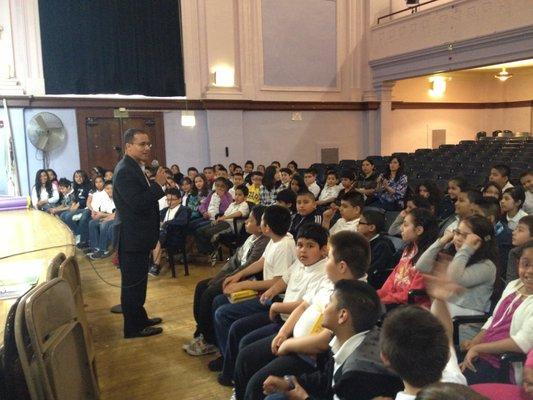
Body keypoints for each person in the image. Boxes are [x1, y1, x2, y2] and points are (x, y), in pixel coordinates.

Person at [233, 230, 371, 400]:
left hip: (309, 357)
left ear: (341, 266)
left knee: (257, 386)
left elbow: (323, 342)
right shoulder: (331, 280)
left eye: (328, 258)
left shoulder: (353, 300)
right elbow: (304, 305)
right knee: (246, 356)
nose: (325, 261)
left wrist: (289, 344)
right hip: (294, 339)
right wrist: (283, 333)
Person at [216, 224, 328, 387]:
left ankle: (242, 382)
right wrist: (270, 292)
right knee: (238, 329)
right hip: (280, 316)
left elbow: (304, 305)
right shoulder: (300, 262)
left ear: (323, 250)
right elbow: (284, 280)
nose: (303, 250)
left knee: (246, 348)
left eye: (310, 246)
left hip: (293, 325)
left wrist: (276, 306)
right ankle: (232, 376)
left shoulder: (323, 271)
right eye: (300, 245)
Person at [262, 280, 402, 400]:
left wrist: (304, 398)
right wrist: (289, 382)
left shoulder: (357, 377)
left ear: (342, 316)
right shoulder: (347, 339)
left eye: (329, 302)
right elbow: (326, 380)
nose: (325, 307)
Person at [211, 205, 296, 378]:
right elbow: (262, 261)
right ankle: (227, 356)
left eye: (262, 220)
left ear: (267, 227)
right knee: (218, 300)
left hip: (273, 298)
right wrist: (239, 276)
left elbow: (278, 282)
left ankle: (231, 366)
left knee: (223, 313)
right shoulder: (275, 239)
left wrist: (243, 286)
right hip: (264, 292)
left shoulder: (285, 245)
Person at [184, 206, 270, 356]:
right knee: (201, 286)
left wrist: (223, 280)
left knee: (210, 294)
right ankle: (202, 331)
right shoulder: (251, 238)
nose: (246, 222)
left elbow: (247, 267)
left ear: (262, 226)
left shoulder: (264, 243)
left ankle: (209, 340)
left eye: (250, 220)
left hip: (246, 279)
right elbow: (234, 261)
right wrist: (219, 277)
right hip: (234, 275)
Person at [113, 128, 167, 338]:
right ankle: (133, 328)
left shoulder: (133, 166)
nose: (147, 148)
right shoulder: (126, 169)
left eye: (148, 144)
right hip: (133, 237)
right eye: (141, 144)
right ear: (128, 146)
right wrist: (158, 185)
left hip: (138, 236)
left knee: (137, 283)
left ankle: (140, 318)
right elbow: (138, 203)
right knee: (133, 285)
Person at [459, 240, 533, 385]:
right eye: (525, 264)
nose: (530, 270)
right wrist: (475, 342)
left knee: (453, 387)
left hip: (503, 364)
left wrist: (478, 348)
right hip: (483, 353)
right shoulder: (513, 285)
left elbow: (522, 343)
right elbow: (494, 319)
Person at [416, 215, 497, 321]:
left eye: (465, 236)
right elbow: (421, 266)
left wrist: (466, 248)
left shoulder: (487, 266)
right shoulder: (456, 258)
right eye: (457, 233)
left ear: (479, 241)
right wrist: (441, 242)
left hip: (464, 324)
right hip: (442, 317)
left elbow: (454, 278)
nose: (458, 238)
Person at [380, 304, 466, 400]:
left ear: (385, 358)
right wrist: (439, 300)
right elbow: (448, 338)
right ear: (448, 356)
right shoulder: (456, 382)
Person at [377, 208, 439, 309]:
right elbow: (393, 278)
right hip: (394, 301)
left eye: (405, 225)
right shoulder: (408, 249)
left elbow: (412, 294)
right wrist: (379, 295)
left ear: (419, 230)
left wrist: (384, 299)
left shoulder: (428, 258)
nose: (401, 228)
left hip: (413, 308)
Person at [195, 184, 250, 265]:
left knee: (208, 232)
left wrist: (224, 218)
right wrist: (218, 219)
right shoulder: (232, 204)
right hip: (223, 222)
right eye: (236, 194)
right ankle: (206, 253)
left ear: (245, 197)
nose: (237, 197)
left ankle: (211, 253)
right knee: (199, 230)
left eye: (240, 195)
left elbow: (238, 214)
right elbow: (225, 214)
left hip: (231, 226)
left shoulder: (245, 205)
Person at [148, 188, 190, 277]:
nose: (169, 202)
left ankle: (156, 265)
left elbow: (182, 221)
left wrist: (165, 223)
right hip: (163, 234)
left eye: (172, 200)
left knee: (156, 238)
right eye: (168, 199)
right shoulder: (165, 210)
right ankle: (148, 262)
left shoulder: (184, 209)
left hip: (175, 236)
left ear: (179, 199)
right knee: (148, 235)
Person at [358, 209, 396, 289]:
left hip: (371, 286)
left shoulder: (383, 245)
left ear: (371, 227)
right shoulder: (360, 241)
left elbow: (370, 271)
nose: (357, 226)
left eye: (360, 223)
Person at [87, 180, 116, 260]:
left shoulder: (118, 198)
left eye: (112, 188)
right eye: (107, 188)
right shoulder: (105, 198)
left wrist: (104, 216)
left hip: (118, 218)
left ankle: (103, 250)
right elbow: (104, 212)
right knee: (92, 223)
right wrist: (99, 215)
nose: (110, 190)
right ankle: (95, 248)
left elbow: (118, 214)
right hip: (109, 216)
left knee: (104, 224)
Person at [506, 216, 533, 283]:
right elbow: (511, 284)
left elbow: (511, 281)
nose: (513, 232)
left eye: (520, 230)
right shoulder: (515, 252)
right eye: (515, 229)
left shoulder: (514, 253)